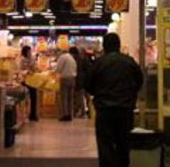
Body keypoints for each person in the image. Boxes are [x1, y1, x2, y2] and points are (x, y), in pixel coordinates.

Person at [85, 33, 144, 167]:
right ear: (118, 45)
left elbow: (88, 84)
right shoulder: (129, 62)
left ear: (104, 46)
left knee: (105, 144)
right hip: (125, 109)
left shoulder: (99, 63)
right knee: (124, 142)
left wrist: (98, 93)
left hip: (104, 109)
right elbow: (140, 80)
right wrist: (130, 94)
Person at [55, 47, 77, 121]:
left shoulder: (63, 57)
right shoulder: (72, 59)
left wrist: (56, 72)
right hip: (72, 79)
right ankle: (70, 114)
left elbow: (59, 68)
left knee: (64, 97)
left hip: (65, 79)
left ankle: (65, 115)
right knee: (70, 98)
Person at [20, 45, 39, 121]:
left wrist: (34, 68)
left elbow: (36, 67)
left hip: (33, 81)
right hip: (25, 81)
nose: (30, 53)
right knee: (24, 98)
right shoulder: (22, 60)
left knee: (34, 97)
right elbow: (20, 70)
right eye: (28, 51)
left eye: (30, 51)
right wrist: (27, 71)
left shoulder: (32, 59)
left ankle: (33, 115)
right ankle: (24, 115)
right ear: (25, 52)